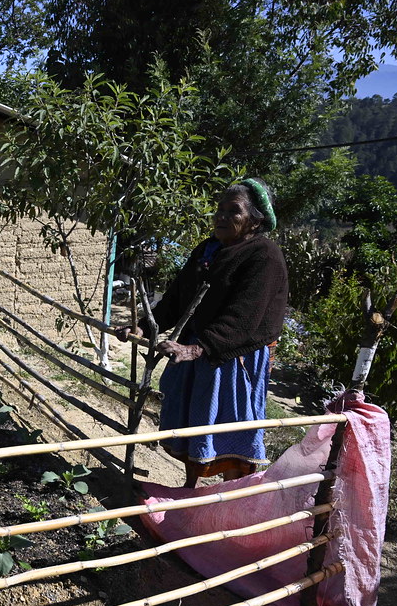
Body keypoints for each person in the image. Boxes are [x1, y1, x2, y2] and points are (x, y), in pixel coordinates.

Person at [117, 178, 288, 487]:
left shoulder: (264, 255)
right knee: (196, 422)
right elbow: (175, 298)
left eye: (232, 211)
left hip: (233, 357)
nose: (221, 216)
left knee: (229, 428)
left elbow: (245, 315)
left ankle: (235, 497)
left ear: (256, 219)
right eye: (219, 209)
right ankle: (190, 488)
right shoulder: (207, 250)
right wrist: (142, 324)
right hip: (198, 350)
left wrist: (198, 349)